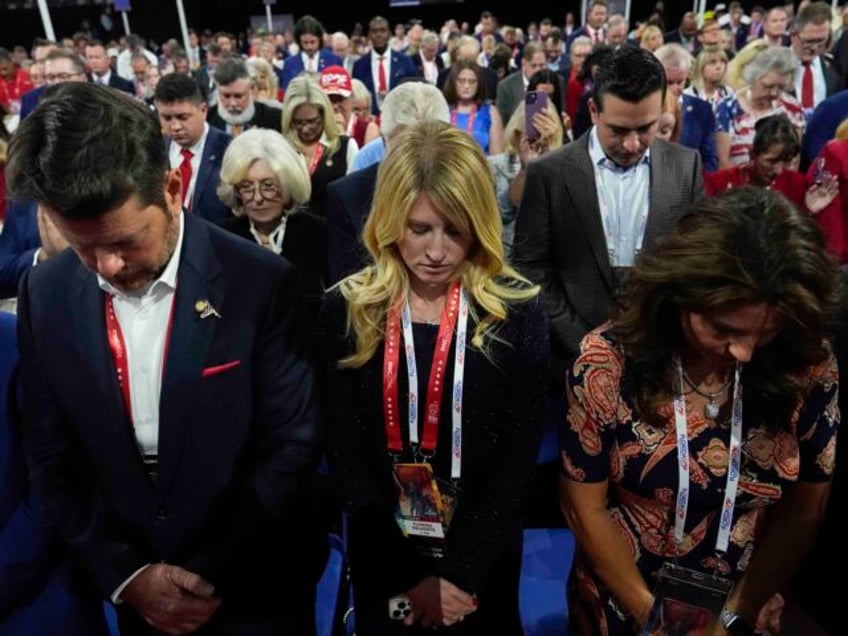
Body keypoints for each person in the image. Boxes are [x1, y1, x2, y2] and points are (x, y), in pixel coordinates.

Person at [6, 81, 327, 635]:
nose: (106, 266)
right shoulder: (46, 293)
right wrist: (130, 576)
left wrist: (196, 576)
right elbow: (51, 454)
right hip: (135, 591)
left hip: (255, 580)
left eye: (125, 241)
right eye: (84, 247)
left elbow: (291, 444)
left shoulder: (262, 282)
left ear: (173, 188)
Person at [560, 186, 840, 635]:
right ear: (680, 294)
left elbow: (807, 506)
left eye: (766, 331)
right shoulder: (605, 363)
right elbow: (583, 509)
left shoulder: (805, 365)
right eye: (724, 329)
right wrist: (656, 619)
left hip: (741, 599)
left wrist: (738, 609)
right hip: (621, 596)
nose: (745, 352)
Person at [319, 119, 548, 634]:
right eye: (420, 229)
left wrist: (460, 573)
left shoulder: (518, 311)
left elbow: (516, 462)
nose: (438, 251)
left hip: (483, 557)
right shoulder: (347, 308)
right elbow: (348, 458)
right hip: (385, 555)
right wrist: (411, 576)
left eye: (456, 229)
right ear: (389, 219)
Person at [513, 45, 703, 387]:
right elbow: (530, 268)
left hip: (658, 366)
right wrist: (584, 345)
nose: (632, 144)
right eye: (618, 130)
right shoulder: (549, 173)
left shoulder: (686, 167)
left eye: (646, 128)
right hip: (572, 371)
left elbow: (696, 262)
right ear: (593, 110)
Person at [325, 81, 450, 284]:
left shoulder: (470, 188)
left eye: (429, 146)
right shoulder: (347, 196)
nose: (419, 159)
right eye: (407, 149)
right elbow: (347, 288)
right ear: (384, 142)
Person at [216, 127, 327, 322]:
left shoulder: (319, 234)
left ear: (288, 184)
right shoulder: (221, 239)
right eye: (246, 187)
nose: (257, 198)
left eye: (268, 186)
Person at [705, 114, 838, 218]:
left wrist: (809, 211)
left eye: (787, 162)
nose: (779, 171)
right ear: (753, 154)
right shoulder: (719, 183)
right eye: (771, 161)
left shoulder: (799, 186)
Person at [153, 73, 232, 222]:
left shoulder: (229, 149)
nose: (175, 127)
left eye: (183, 117)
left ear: (203, 111)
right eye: (166, 118)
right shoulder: (153, 148)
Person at [489, 99, 563, 257]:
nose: (537, 136)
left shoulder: (564, 167)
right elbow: (495, 215)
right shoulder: (493, 167)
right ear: (517, 132)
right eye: (531, 128)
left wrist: (549, 159)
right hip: (504, 260)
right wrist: (527, 169)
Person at [281, 75, 358, 219]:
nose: (305, 129)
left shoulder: (346, 147)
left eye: (312, 122)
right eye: (298, 122)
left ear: (324, 115)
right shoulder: (281, 148)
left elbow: (354, 197)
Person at [715, 46, 805, 168]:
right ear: (753, 77)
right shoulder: (728, 107)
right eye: (768, 86)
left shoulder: (792, 107)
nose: (774, 93)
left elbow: (794, 160)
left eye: (781, 87)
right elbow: (723, 162)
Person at [353, 16, 419, 115]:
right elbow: (356, 98)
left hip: (400, 121)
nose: (378, 35)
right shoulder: (359, 65)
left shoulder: (405, 61)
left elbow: (414, 94)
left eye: (382, 31)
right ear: (369, 35)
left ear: (389, 34)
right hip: (369, 122)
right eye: (374, 31)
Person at [207, 56, 281, 136]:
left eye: (238, 96)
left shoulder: (274, 119)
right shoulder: (207, 120)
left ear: (251, 89)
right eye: (226, 96)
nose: (233, 104)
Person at [442, 59, 502, 155]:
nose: (466, 86)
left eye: (472, 82)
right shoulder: (442, 110)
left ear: (479, 84)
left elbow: (497, 156)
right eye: (461, 81)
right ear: (453, 83)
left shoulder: (490, 112)